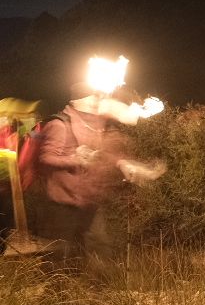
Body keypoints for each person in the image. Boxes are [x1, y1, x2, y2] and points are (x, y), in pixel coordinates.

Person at [24, 85, 162, 267]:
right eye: (92, 98)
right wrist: (76, 159)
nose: (97, 101)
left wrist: (122, 163)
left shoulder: (96, 125)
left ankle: (97, 293)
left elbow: (106, 152)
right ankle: (56, 293)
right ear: (77, 102)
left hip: (89, 202)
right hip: (61, 204)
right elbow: (46, 158)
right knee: (59, 257)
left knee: (100, 250)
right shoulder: (59, 125)